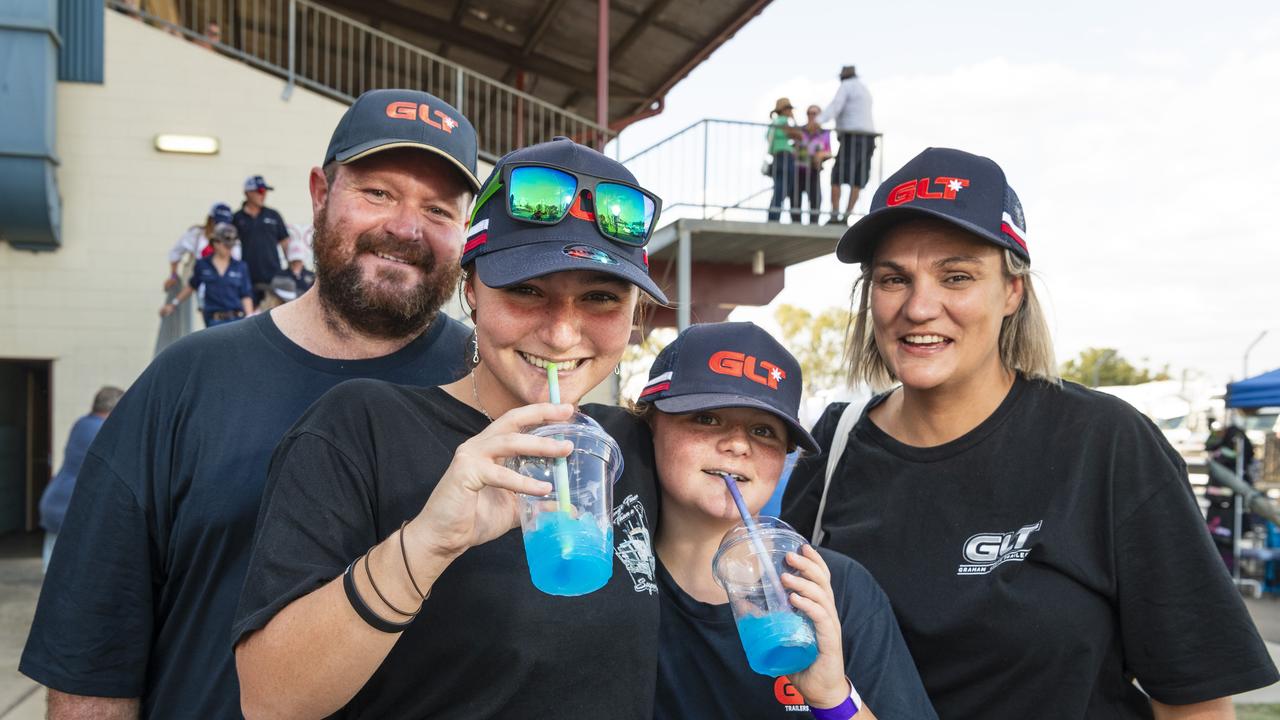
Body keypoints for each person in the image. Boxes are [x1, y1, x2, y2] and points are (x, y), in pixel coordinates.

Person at [20, 88, 482, 719]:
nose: (405, 228)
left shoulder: (487, 384)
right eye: (377, 193)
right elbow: (91, 653)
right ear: (320, 195)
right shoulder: (188, 380)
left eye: (438, 208)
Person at [780, 147, 1278, 719]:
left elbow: (1196, 704)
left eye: (957, 276)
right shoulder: (836, 447)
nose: (919, 307)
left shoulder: (1106, 443)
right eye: (894, 279)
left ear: (1012, 291)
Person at [233, 137, 668, 718]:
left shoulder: (634, 446)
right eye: (526, 291)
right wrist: (427, 543)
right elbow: (270, 699)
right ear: (470, 291)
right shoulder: (363, 428)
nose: (563, 334)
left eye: (600, 299)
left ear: (633, 313)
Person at [642, 322, 936, 720]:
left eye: (763, 430)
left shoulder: (831, 587)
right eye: (707, 418)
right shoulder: (607, 579)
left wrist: (832, 697)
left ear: (785, 455)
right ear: (650, 424)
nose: (738, 444)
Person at [37, 386, 124, 571]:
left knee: (54, 579)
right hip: (70, 508)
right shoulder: (102, 430)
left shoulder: (82, 423)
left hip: (56, 502)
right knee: (73, 578)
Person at [159, 222, 253, 327]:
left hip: (237, 321)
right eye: (226, 245)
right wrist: (173, 304)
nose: (229, 249)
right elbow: (192, 286)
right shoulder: (203, 264)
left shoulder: (240, 267)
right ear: (216, 243)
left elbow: (246, 294)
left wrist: (250, 318)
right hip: (214, 321)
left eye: (231, 246)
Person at [818, 66, 875, 225]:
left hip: (853, 138)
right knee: (858, 179)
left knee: (837, 176)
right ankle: (846, 215)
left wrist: (817, 122)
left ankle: (835, 215)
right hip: (869, 139)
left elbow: (835, 106)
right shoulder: (864, 90)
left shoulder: (846, 86)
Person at [233, 173, 291, 306]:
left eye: (265, 191)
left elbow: (285, 242)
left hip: (273, 276)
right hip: (247, 277)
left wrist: (290, 268)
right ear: (247, 193)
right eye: (259, 191)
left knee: (272, 315)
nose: (263, 194)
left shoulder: (273, 215)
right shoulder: (237, 217)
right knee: (249, 319)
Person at [767, 97, 803, 223]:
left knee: (779, 188)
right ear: (783, 110)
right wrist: (793, 119)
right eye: (789, 109)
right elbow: (799, 135)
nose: (790, 111)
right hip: (784, 158)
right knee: (782, 189)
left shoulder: (774, 123)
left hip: (778, 158)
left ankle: (773, 217)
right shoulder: (782, 121)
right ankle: (774, 218)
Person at [795, 105, 832, 224]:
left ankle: (814, 223)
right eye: (809, 113)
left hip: (814, 170)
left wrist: (820, 155)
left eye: (814, 113)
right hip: (798, 170)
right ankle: (796, 224)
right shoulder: (800, 130)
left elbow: (828, 152)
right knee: (795, 200)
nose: (811, 116)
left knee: (816, 199)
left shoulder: (824, 133)